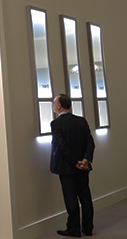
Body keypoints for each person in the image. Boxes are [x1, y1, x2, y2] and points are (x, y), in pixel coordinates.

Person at [50, 94, 95, 237]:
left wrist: (75, 162)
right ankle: (88, 227)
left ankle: (74, 228)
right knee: (85, 196)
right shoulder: (81, 121)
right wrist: (85, 160)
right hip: (83, 167)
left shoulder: (56, 124)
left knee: (71, 199)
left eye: (54, 103)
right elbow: (90, 143)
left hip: (66, 167)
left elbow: (62, 147)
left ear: (59, 106)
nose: (53, 105)